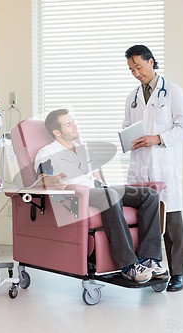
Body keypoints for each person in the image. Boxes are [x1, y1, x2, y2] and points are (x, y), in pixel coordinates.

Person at [34, 108, 168, 284]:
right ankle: (129, 266)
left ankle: (149, 259)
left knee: (148, 195)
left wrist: (106, 184)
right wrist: (53, 180)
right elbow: (42, 179)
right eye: (68, 124)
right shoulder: (47, 152)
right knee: (110, 195)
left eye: (73, 121)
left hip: (100, 190)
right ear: (57, 132)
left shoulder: (83, 150)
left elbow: (98, 176)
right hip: (77, 195)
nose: (74, 125)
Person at [123, 45, 183, 292]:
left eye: (138, 67)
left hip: (164, 165)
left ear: (152, 62)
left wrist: (158, 138)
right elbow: (126, 126)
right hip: (140, 167)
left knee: (171, 223)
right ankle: (149, 268)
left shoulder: (173, 91)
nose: (135, 73)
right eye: (131, 69)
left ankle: (178, 274)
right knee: (145, 222)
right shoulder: (132, 98)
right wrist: (128, 139)